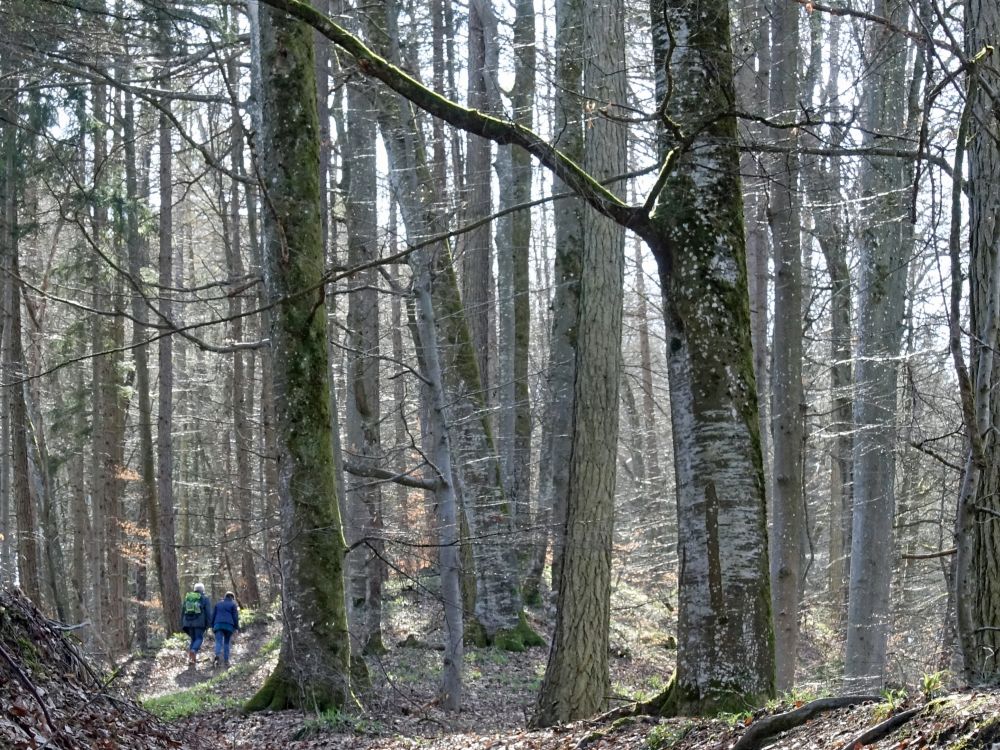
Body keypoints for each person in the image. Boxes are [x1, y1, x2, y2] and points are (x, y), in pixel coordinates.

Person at [180, 582, 211, 665]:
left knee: (193, 639)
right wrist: (209, 624)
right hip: (199, 623)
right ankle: (193, 651)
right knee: (199, 638)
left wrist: (182, 623)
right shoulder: (204, 598)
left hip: (187, 622)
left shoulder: (188, 598)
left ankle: (191, 659)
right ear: (203, 590)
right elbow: (208, 612)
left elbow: (183, 611)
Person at [211, 591, 240, 668]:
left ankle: (217, 656)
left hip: (218, 625)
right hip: (228, 626)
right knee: (226, 643)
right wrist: (236, 627)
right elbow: (235, 617)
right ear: (232, 598)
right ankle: (226, 661)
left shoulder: (218, 604)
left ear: (225, 596)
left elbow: (213, 615)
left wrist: (212, 626)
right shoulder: (233, 604)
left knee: (218, 642)